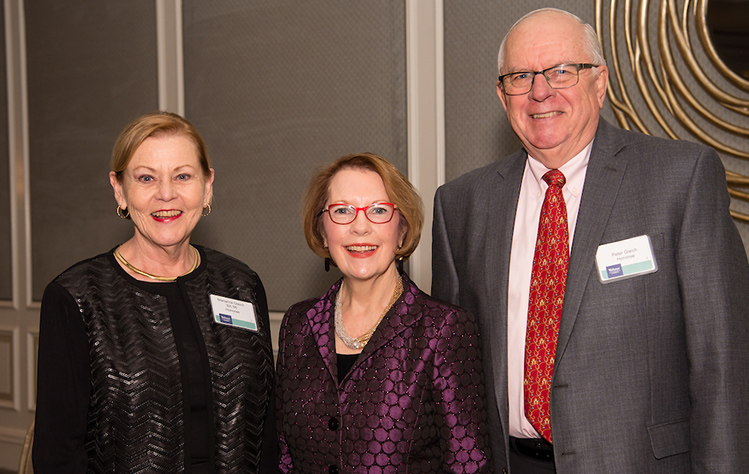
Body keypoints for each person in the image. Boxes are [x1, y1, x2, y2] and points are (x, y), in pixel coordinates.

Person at [431, 8, 749, 474]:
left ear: (599, 83)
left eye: (562, 71)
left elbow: (724, 364)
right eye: (521, 76)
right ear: (502, 96)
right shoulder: (461, 204)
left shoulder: (680, 179)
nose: (541, 91)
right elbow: (452, 379)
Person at [33, 111, 277, 473]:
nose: (167, 194)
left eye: (182, 176)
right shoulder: (77, 298)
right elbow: (58, 455)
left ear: (207, 186)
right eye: (146, 178)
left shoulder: (241, 283)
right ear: (120, 190)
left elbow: (266, 429)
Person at [276, 152, 492, 473]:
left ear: (402, 230)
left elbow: (468, 464)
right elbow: (283, 457)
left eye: (379, 210)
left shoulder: (444, 328)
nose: (360, 227)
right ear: (322, 230)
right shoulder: (298, 323)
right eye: (342, 211)